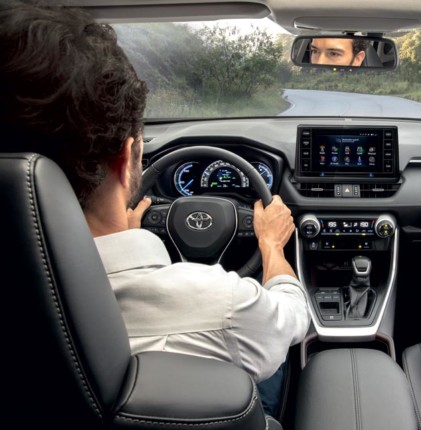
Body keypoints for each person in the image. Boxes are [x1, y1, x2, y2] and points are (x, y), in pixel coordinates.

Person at [0, 0, 310, 419]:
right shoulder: (223, 303)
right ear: (126, 156)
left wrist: (122, 233)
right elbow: (293, 319)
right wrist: (271, 246)